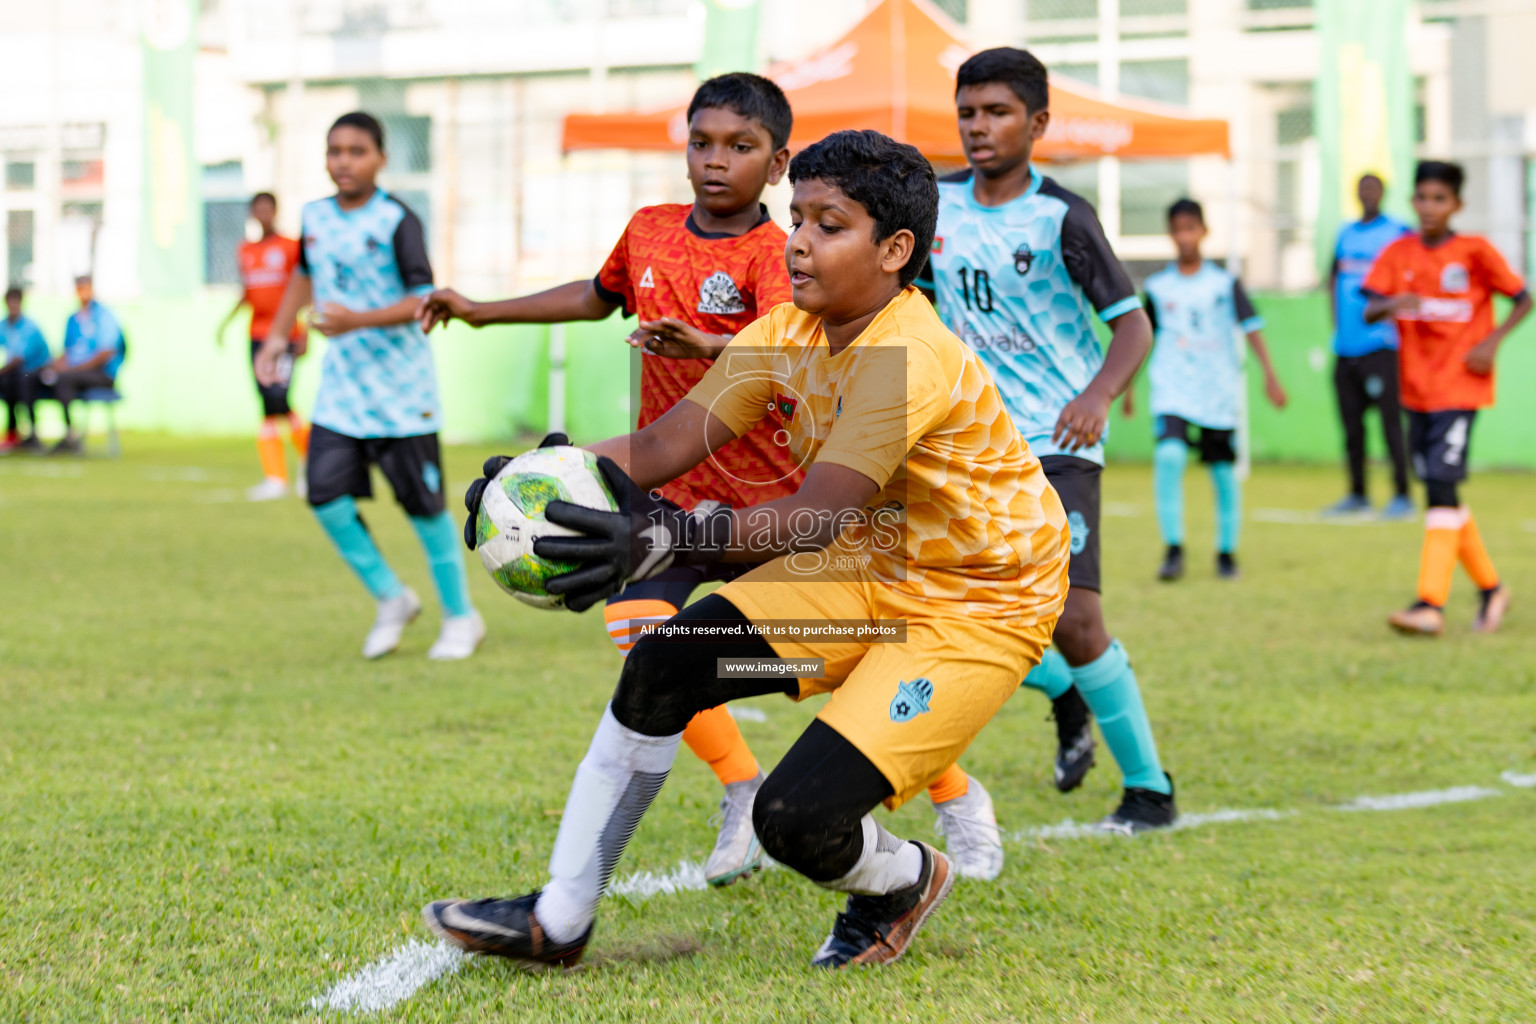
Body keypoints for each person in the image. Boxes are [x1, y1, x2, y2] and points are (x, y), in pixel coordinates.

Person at [424, 129, 1070, 971]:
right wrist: (542, 480)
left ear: (895, 250)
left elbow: (810, 517)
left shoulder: (908, 355)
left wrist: (665, 539)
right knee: (667, 662)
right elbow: (663, 443)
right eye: (796, 216)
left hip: (977, 605)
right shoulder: (786, 330)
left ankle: (902, 880)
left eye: (828, 224)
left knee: (796, 821)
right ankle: (560, 915)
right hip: (872, 567)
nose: (797, 240)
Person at [418, 73, 800, 886]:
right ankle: (742, 786)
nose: (715, 161)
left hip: (773, 503)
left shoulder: (781, 255)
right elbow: (597, 298)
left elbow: (793, 361)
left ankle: (948, 785)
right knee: (640, 635)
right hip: (667, 497)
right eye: (701, 142)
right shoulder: (650, 230)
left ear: (777, 164)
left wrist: (704, 347)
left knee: (838, 662)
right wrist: (482, 309)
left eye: (741, 147)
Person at [913, 47, 1177, 853]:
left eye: (996, 113)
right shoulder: (934, 207)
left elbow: (1133, 323)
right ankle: (1064, 692)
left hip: (1057, 443)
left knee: (1074, 612)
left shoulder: (1062, 217)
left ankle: (1150, 789)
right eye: (967, 113)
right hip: (964, 443)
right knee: (935, 605)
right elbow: (915, 311)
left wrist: (1097, 395)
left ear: (1037, 124)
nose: (978, 128)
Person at [254, 112, 484, 661]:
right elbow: (304, 278)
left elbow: (423, 299)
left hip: (403, 393)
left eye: (357, 151)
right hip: (342, 391)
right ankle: (390, 597)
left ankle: (460, 616)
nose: (343, 162)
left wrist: (355, 320)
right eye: (335, 151)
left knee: (424, 509)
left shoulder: (396, 220)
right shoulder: (313, 218)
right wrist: (276, 338)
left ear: (381, 158)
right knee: (324, 494)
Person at [1363, 160, 1530, 636]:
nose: (1430, 207)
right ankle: (1491, 589)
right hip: (1417, 390)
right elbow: (1370, 305)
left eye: (1440, 199)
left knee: (1439, 485)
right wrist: (1392, 304)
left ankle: (1429, 603)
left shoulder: (1475, 252)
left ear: (1457, 204)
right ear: (1412, 201)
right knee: (1443, 492)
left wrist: (1491, 342)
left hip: (1460, 386)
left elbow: (1523, 298)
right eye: (1422, 197)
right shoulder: (1399, 253)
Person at [1130, 198, 1287, 581]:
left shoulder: (1224, 284)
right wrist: (1129, 386)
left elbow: (1252, 327)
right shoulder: (1158, 286)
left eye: (1191, 228)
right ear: (1170, 235)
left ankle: (1226, 553)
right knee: (1169, 456)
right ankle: (1173, 549)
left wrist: (1270, 375)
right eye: (1177, 229)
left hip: (1216, 390)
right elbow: (1141, 336)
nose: (1184, 236)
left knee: (1222, 471)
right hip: (1172, 387)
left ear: (1203, 231)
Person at [1324, 174, 1414, 519]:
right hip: (1345, 347)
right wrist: (1336, 325)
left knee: (1391, 423)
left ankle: (1402, 495)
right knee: (1351, 427)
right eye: (1362, 188)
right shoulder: (1344, 233)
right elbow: (1332, 278)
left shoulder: (1398, 232)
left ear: (1383, 193)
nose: (1367, 194)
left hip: (1382, 344)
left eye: (1373, 188)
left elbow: (1415, 273)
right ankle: (1358, 493)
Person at [218, 191, 312, 502]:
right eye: (257, 209)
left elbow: (305, 289)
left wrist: (305, 330)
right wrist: (226, 323)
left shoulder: (290, 247)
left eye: (267, 208)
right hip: (256, 335)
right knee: (268, 405)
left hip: (284, 334)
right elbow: (248, 291)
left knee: (279, 398)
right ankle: (275, 477)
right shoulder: (244, 249)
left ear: (276, 210)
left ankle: (313, 466)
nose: (263, 213)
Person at [38, 275, 124, 456]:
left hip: (102, 374)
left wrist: (72, 369)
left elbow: (105, 353)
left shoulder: (104, 316)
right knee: (40, 376)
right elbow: (67, 352)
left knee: (64, 379)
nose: (82, 293)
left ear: (92, 289)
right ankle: (30, 435)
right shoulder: (73, 319)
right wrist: (53, 366)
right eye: (79, 288)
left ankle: (70, 435)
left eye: (85, 288)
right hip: (74, 374)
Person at [0, 286, 50, 453]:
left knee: (23, 382)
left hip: (38, 372)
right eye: (10, 303)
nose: (13, 307)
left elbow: (18, 360)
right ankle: (12, 434)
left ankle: (33, 434)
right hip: (15, 374)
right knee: (6, 383)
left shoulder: (29, 327)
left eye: (16, 303)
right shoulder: (4, 326)